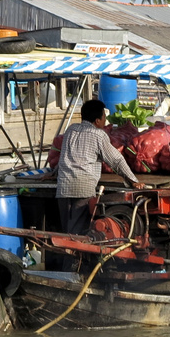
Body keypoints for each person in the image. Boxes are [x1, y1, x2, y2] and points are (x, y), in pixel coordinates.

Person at [55, 99, 141, 239]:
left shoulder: (70, 130)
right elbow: (116, 160)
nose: (105, 121)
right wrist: (133, 180)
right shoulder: (98, 135)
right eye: (104, 117)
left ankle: (67, 259)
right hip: (82, 188)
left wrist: (52, 173)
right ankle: (73, 260)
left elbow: (64, 156)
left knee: (66, 231)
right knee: (78, 235)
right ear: (97, 120)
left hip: (63, 187)